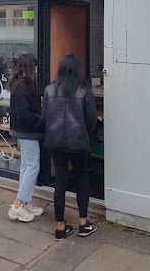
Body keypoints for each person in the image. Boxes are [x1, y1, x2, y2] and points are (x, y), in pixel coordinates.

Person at [42, 55, 98, 240]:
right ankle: (83, 223)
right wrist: (86, 133)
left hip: (55, 141)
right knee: (82, 179)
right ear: (76, 70)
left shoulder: (49, 89)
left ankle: (60, 228)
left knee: (60, 182)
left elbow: (44, 117)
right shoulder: (84, 90)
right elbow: (91, 120)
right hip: (78, 142)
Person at [7, 53, 45, 222]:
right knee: (32, 167)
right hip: (26, 131)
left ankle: (25, 202)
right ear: (30, 68)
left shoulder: (21, 84)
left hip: (24, 131)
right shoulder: (22, 87)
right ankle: (17, 206)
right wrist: (41, 119)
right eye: (34, 67)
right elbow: (23, 113)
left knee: (26, 167)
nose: (36, 70)